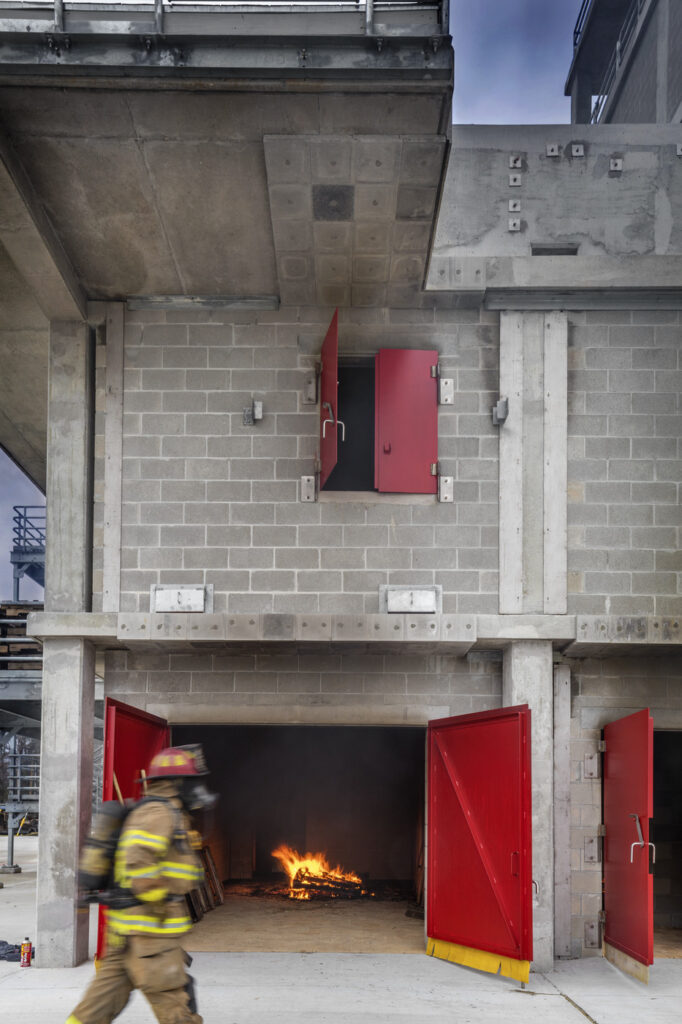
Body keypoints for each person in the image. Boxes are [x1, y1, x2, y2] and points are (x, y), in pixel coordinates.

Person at [66, 744, 218, 1024]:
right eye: (191, 781)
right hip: (151, 937)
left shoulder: (162, 812)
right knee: (176, 1009)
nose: (196, 788)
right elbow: (138, 860)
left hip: (128, 934)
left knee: (94, 1011)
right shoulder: (159, 814)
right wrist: (158, 903)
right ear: (175, 783)